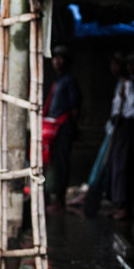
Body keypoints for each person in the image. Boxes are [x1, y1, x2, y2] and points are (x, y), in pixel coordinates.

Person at [107, 52, 134, 219]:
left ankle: (126, 208)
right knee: (118, 166)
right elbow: (118, 104)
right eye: (129, 64)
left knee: (128, 166)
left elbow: (133, 102)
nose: (131, 67)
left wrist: (129, 87)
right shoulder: (125, 83)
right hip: (122, 124)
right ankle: (119, 204)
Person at [43, 45, 82, 213]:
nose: (56, 61)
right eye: (54, 58)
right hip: (54, 129)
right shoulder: (57, 80)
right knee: (53, 164)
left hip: (63, 128)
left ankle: (60, 201)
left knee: (62, 163)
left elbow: (74, 108)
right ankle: (53, 198)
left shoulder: (69, 81)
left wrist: (71, 127)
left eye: (60, 58)